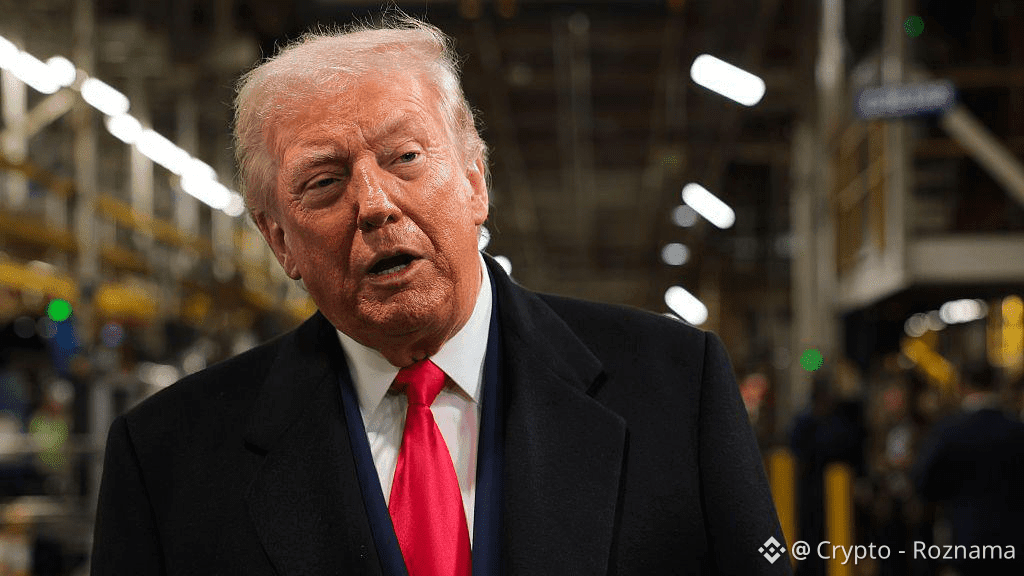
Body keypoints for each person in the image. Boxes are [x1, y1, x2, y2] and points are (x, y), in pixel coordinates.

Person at [91, 15, 789, 575]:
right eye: (324, 182)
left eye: (406, 158)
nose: (375, 204)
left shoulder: (677, 387)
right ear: (280, 241)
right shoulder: (166, 459)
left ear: (475, 182)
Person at [913, 362, 1024, 576]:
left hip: (967, 539)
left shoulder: (949, 431)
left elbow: (923, 482)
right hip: (1014, 542)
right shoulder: (1017, 431)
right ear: (997, 385)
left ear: (962, 387)